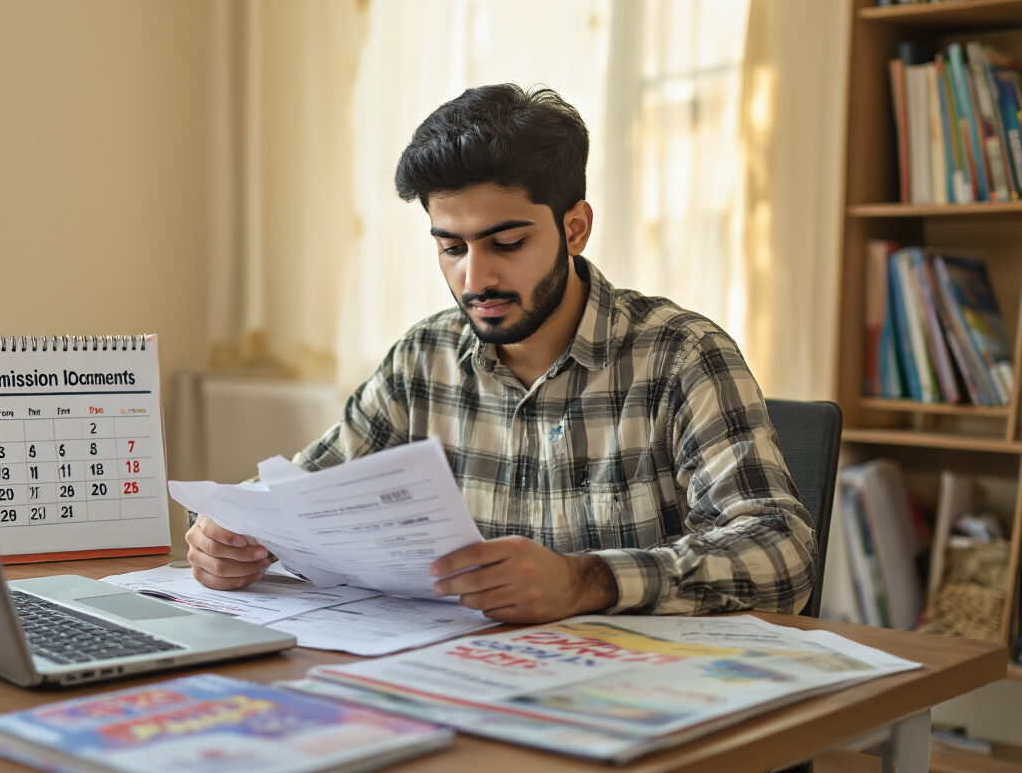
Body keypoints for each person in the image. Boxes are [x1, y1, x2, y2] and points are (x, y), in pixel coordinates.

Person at [185, 83, 816, 627]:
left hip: (639, 714)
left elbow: (782, 554)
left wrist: (585, 581)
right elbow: (300, 498)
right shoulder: (423, 359)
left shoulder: (681, 356)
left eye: (506, 243)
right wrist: (234, 536)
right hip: (457, 696)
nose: (473, 279)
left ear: (575, 228)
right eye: (450, 248)